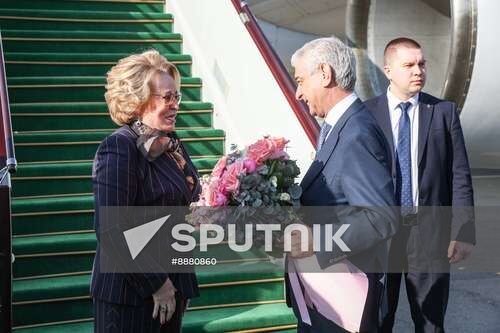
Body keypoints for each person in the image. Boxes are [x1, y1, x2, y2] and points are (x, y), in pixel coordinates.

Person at [287, 36, 398, 332]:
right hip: (327, 291)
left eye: (300, 80)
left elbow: (382, 218)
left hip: (346, 294)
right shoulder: (338, 127)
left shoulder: (356, 132)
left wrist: (318, 240)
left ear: (324, 74)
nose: (298, 93)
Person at [365, 37, 475, 332]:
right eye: (409, 65)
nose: (418, 71)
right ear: (388, 70)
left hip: (429, 236)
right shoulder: (366, 115)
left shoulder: (443, 112)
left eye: (422, 64)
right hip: (380, 237)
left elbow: (459, 175)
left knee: (430, 323)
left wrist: (463, 231)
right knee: (376, 321)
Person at [90, 49, 201, 332]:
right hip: (132, 296)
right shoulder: (119, 147)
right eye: (167, 97)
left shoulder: (171, 143)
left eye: (177, 96)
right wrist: (158, 283)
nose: (175, 105)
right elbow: (111, 229)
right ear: (138, 101)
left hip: (173, 284)